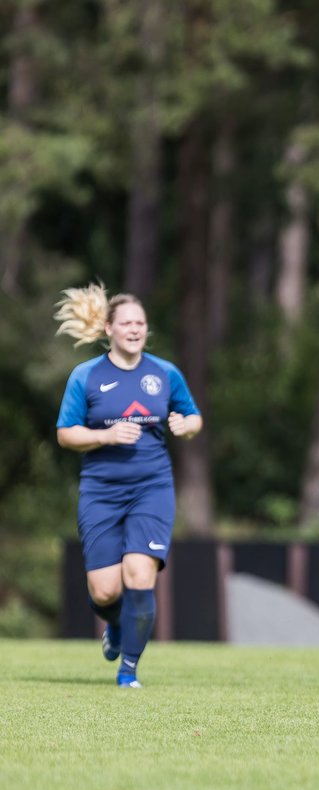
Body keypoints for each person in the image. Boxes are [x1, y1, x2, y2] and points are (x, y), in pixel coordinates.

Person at [54, 283, 203, 687]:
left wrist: (185, 425)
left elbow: (193, 418)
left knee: (140, 574)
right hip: (100, 490)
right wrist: (105, 436)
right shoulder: (85, 376)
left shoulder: (165, 373)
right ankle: (117, 628)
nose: (135, 329)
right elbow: (66, 434)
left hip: (151, 488)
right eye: (127, 323)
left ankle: (128, 672)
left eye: (141, 323)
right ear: (109, 329)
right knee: (104, 592)